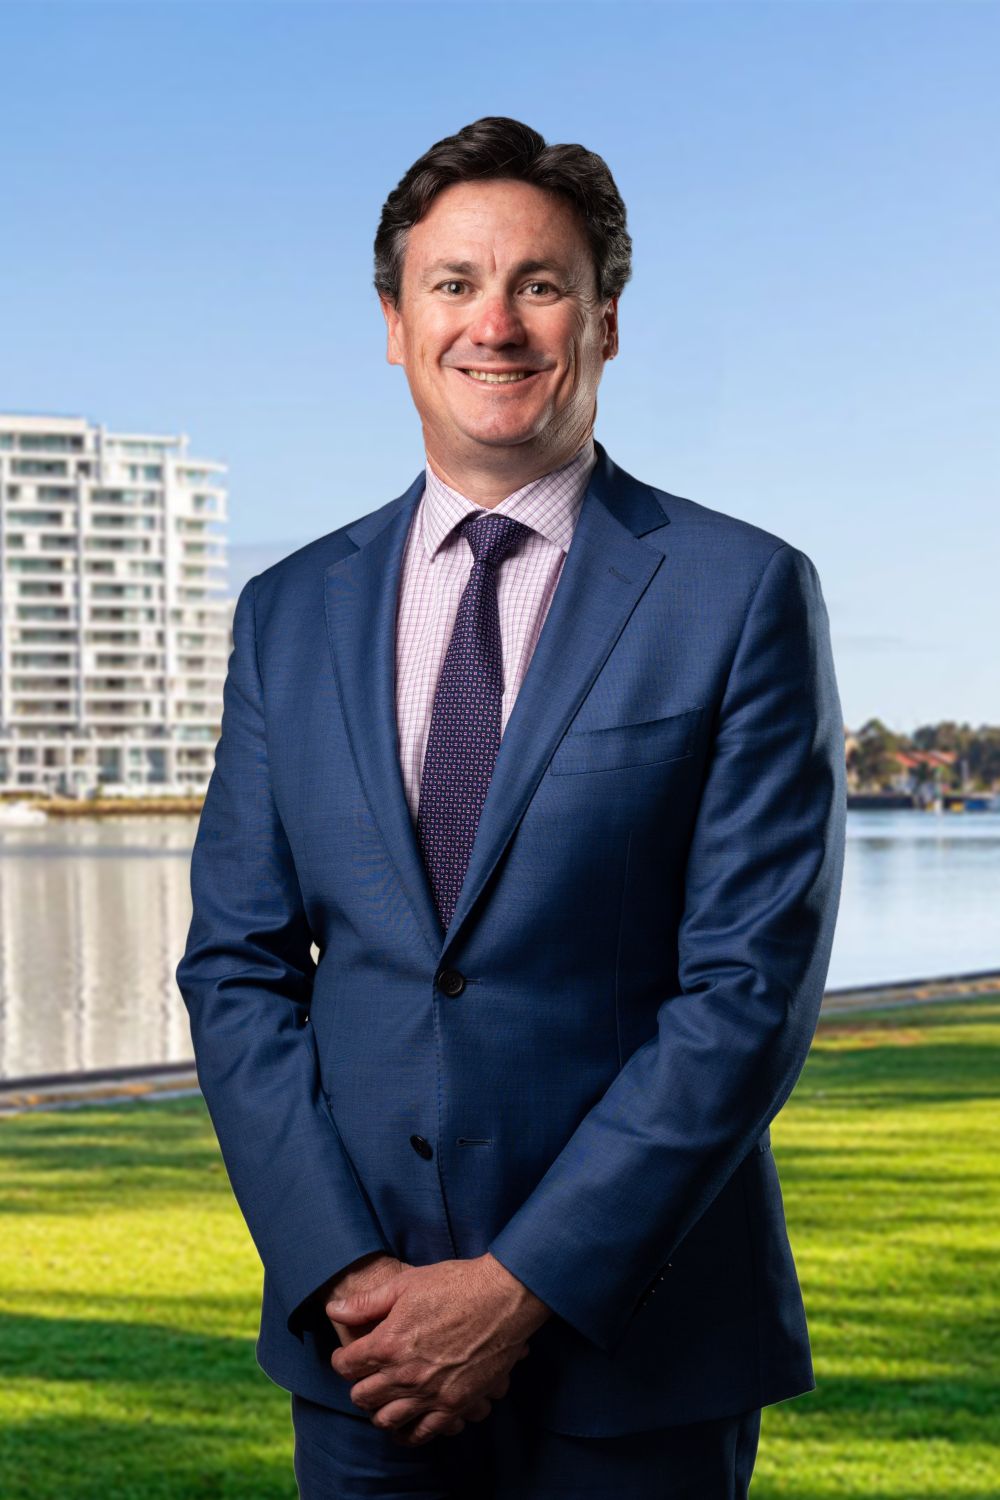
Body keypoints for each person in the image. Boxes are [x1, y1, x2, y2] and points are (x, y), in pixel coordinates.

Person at [176, 115, 846, 1499]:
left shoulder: (739, 594)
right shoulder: (286, 615)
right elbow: (237, 968)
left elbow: (749, 990)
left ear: (605, 323)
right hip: (362, 1358)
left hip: (642, 1353)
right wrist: (343, 1273)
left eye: (540, 284)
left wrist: (516, 1288)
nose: (495, 323)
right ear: (394, 323)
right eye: (454, 284)